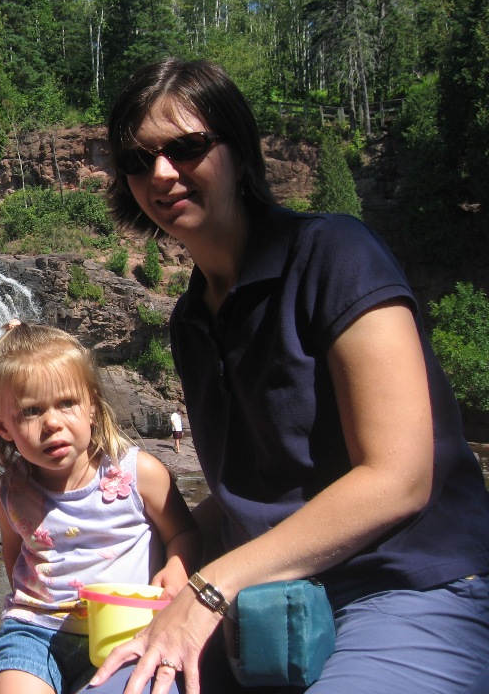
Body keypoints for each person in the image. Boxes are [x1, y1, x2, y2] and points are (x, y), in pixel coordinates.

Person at [83, 58, 489, 694]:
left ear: (239, 151)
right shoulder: (191, 319)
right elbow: (259, 493)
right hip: (269, 604)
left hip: (410, 583)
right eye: (138, 160)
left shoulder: (336, 253)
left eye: (187, 147)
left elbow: (400, 479)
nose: (161, 173)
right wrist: (170, 554)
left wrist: (209, 587)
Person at [0, 321, 202, 694]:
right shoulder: (11, 494)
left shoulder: (139, 473)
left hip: (128, 628)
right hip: (35, 632)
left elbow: (184, 531)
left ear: (92, 407)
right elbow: (14, 554)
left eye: (66, 403)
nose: (52, 423)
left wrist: (176, 570)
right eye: (30, 411)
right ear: (2, 426)